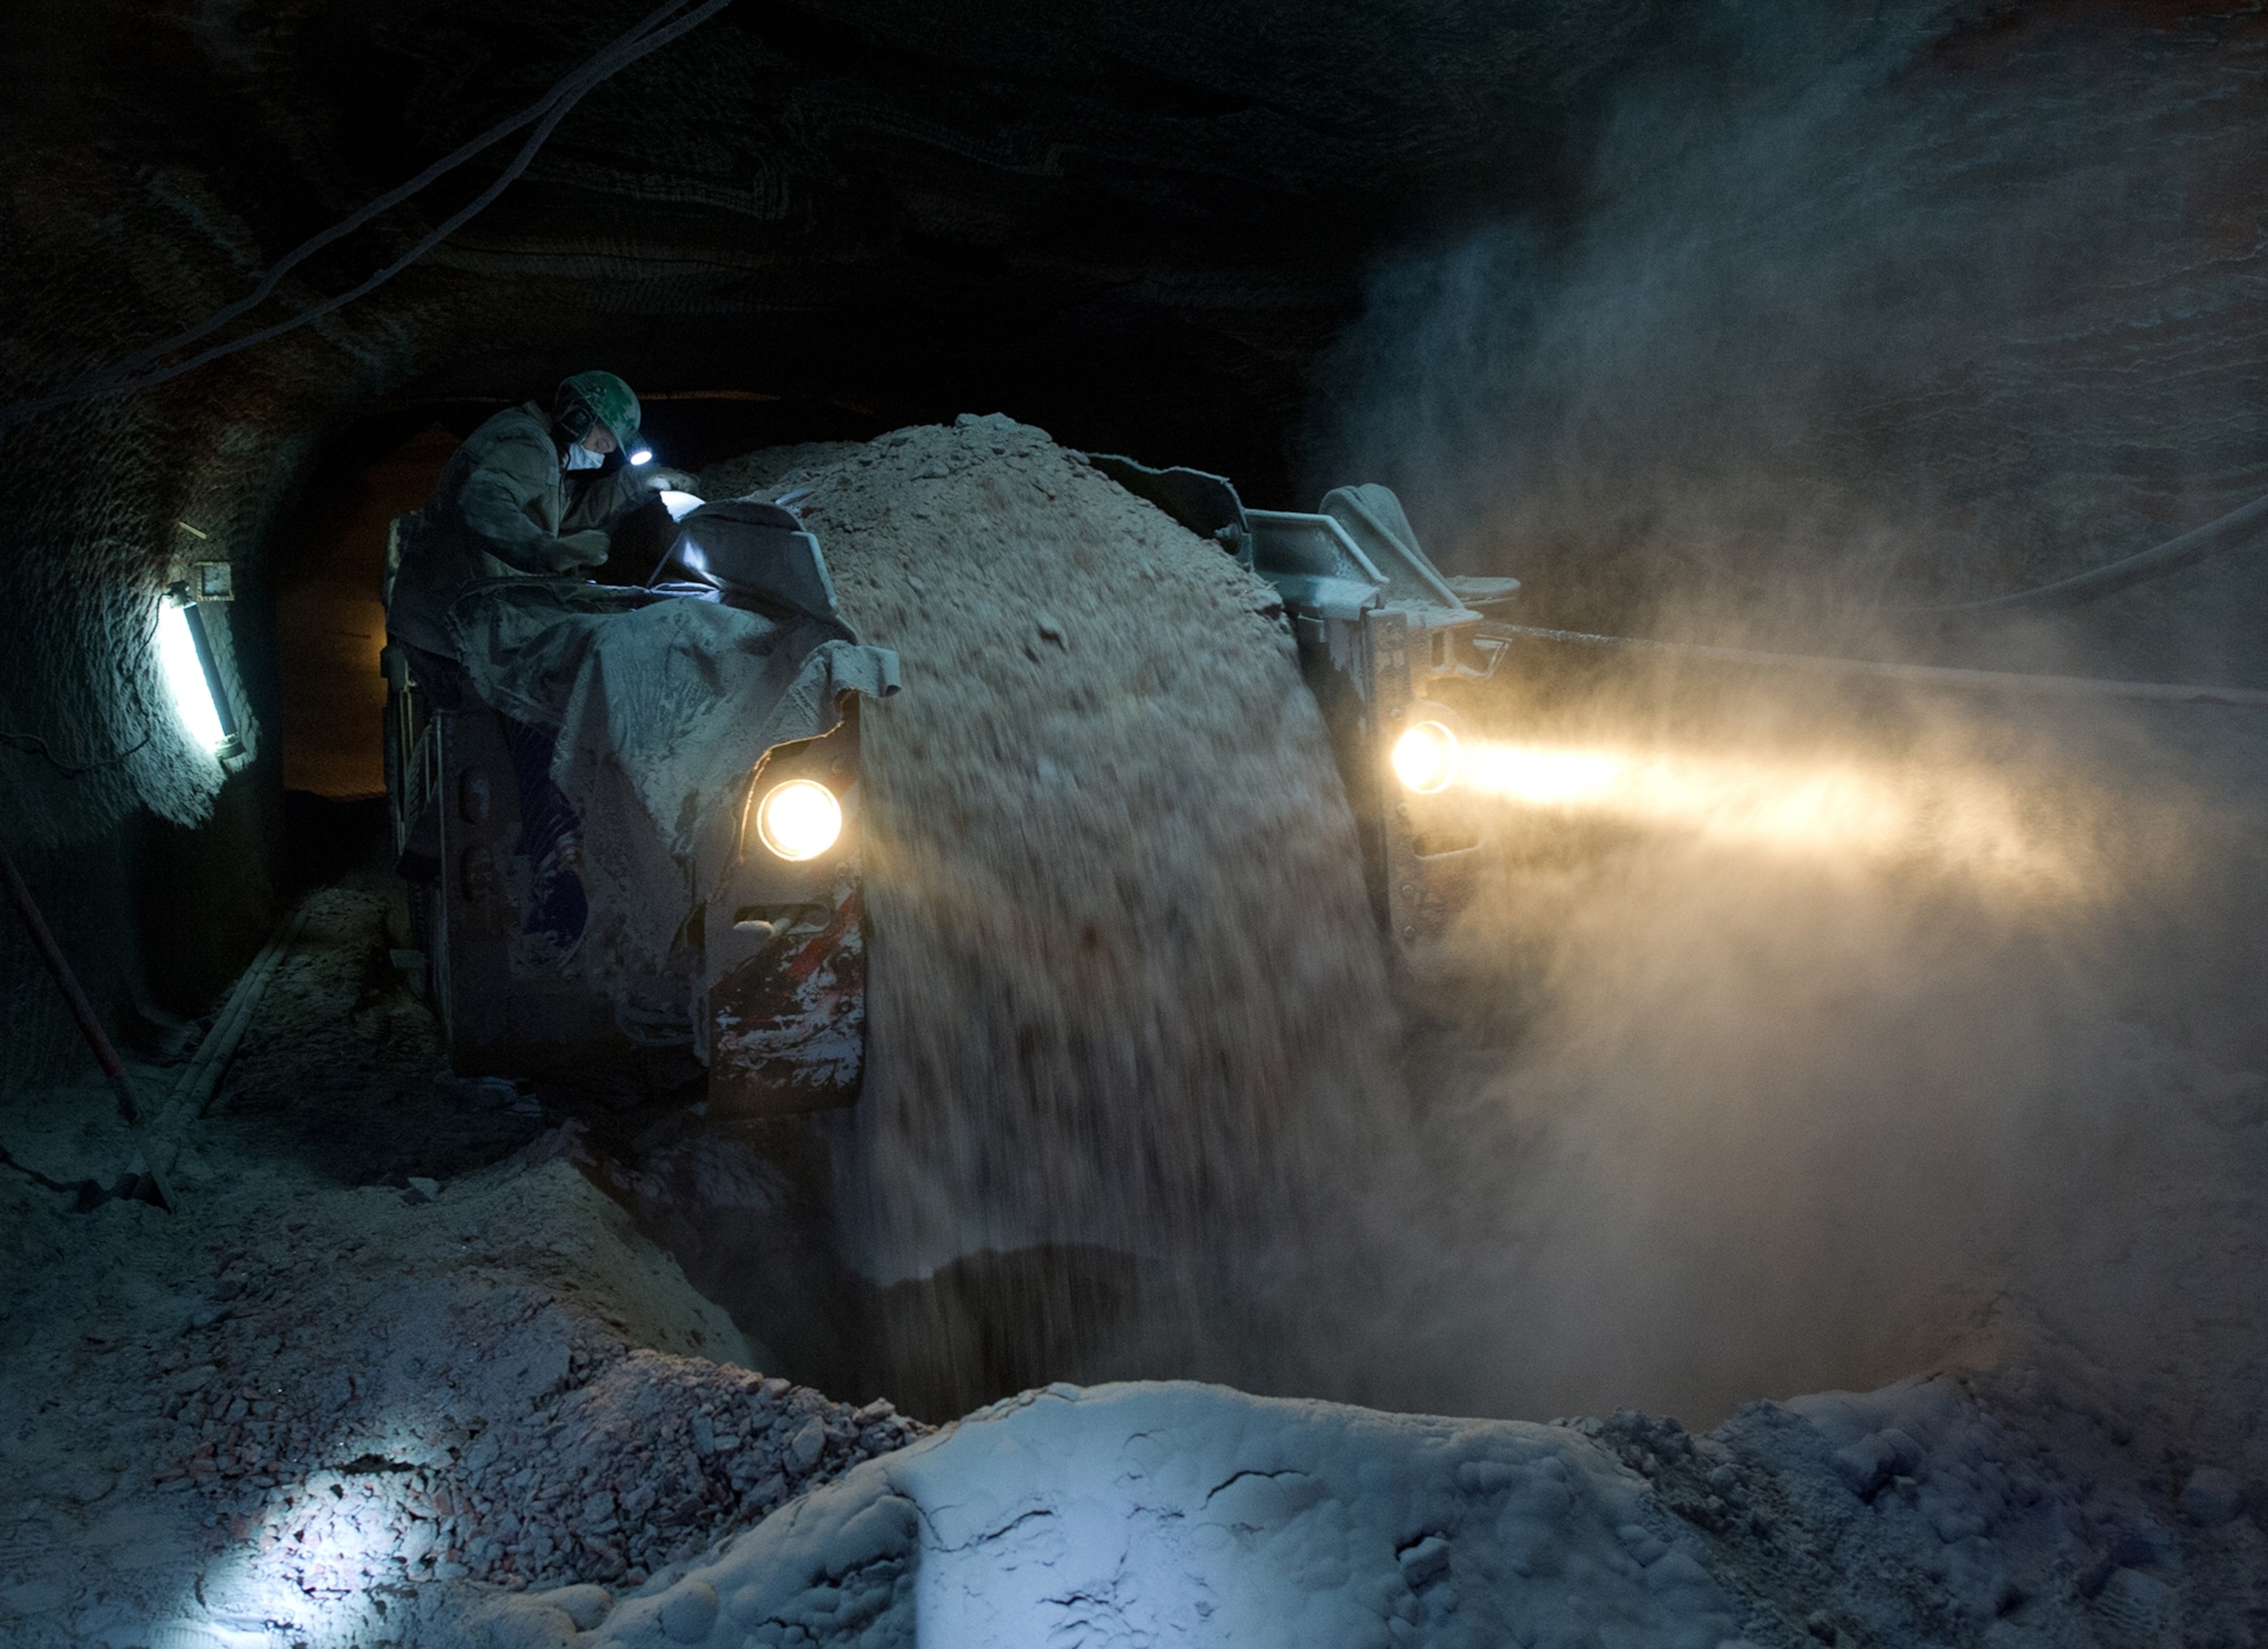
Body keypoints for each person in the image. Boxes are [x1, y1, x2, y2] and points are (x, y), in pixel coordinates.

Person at [385, 370, 691, 668]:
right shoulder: (528, 443)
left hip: (447, 619)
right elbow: (483, 501)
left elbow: (567, 513)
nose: (605, 452)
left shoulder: (546, 451)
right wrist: (543, 549)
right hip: (447, 622)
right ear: (577, 418)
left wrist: (637, 482)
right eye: (603, 440)